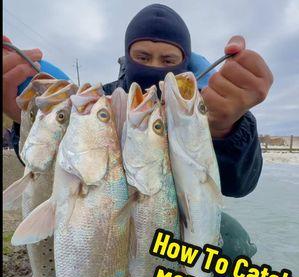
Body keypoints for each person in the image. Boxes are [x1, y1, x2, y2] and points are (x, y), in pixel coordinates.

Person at [3, 4, 273, 197]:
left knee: (234, 241)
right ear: (127, 57)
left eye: (168, 60)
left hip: (176, 225)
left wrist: (224, 129)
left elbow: (239, 186)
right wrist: (26, 121)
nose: (154, 66)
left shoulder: (199, 108)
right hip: (103, 217)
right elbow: (47, 165)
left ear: (185, 63)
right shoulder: (97, 102)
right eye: (143, 57)